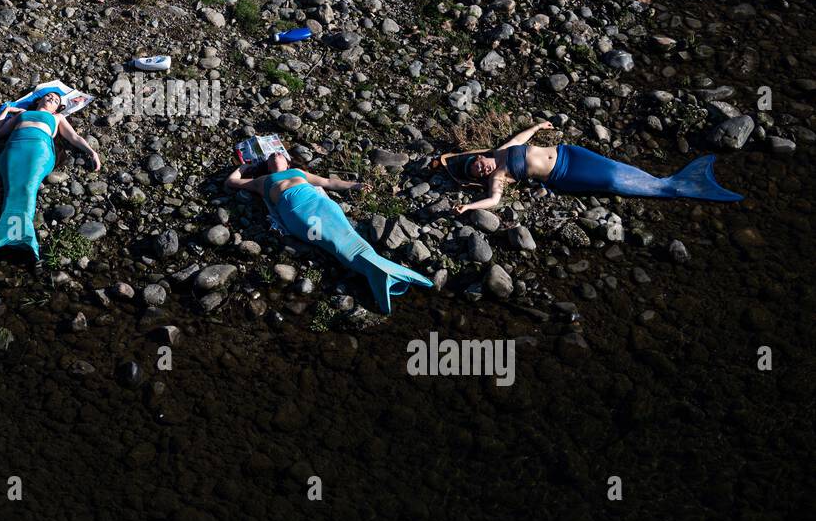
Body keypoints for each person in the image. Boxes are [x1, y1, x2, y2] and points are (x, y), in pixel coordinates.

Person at [225, 152, 432, 314]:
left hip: (323, 206)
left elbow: (328, 182)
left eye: (278, 153)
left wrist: (356, 185)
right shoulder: (262, 180)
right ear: (268, 165)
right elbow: (231, 182)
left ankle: (381, 272)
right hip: (301, 217)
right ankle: (380, 274)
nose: (275, 155)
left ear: (287, 162)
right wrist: (244, 166)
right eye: (271, 156)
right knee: (335, 244)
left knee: (351, 238)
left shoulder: (299, 173)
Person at [438, 120, 743, 213]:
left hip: (570, 152)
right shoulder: (501, 175)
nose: (484, 171)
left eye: (478, 167)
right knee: (611, 181)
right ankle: (675, 186)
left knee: (617, 166)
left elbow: (521, 136)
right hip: (565, 173)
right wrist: (468, 207)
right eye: (480, 175)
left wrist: (538, 125)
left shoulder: (501, 151)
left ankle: (666, 181)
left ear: (479, 158)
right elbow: (494, 200)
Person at [0, 90, 102, 260]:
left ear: (57, 108)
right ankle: (14, 235)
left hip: (39, 149)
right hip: (14, 148)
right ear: (40, 100)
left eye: (56, 100)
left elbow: (73, 137)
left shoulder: (57, 117)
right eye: (49, 96)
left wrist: (91, 152)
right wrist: (7, 110)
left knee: (28, 187)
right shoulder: (24, 113)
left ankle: (22, 236)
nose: (51, 98)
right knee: (13, 187)